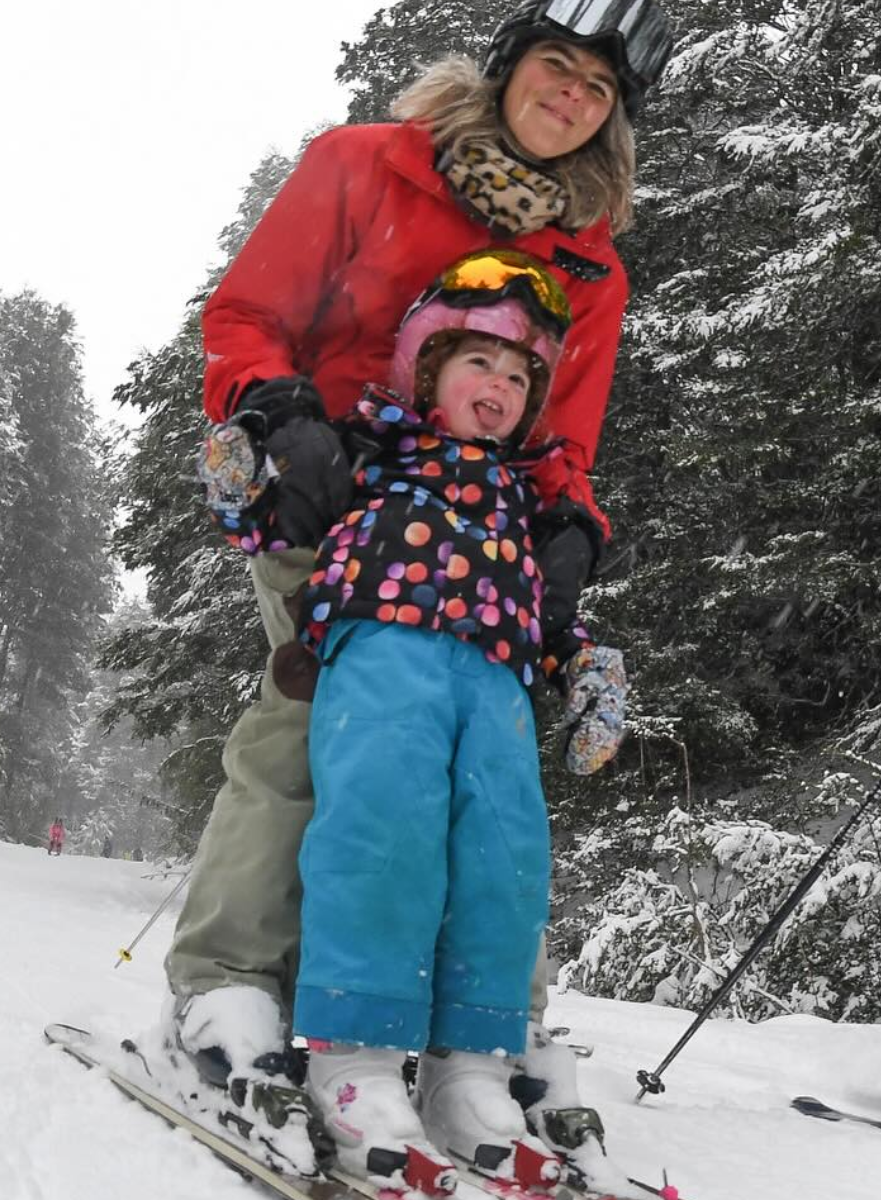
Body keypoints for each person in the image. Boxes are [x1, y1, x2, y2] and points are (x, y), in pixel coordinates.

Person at [164, 0, 674, 1179]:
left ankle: (476, 1033)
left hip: (476, 536)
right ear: (509, 65)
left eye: (598, 90)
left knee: (482, 782)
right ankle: (230, 983)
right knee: (307, 732)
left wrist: (567, 527)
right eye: (557, 67)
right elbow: (246, 315)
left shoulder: (588, 263)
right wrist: (281, 416)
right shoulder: (368, 164)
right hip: (330, 494)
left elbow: (564, 434)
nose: (571, 97)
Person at [213, 251, 625, 1183]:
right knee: (383, 835)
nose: (502, 387)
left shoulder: (527, 501)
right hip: (384, 655)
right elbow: (272, 521)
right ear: (425, 368)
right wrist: (245, 471)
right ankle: (355, 1057)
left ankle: (469, 1065)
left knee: (504, 861)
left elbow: (554, 615)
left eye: (521, 377)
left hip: (498, 682)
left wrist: (583, 666)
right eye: (480, 362)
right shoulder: (372, 453)